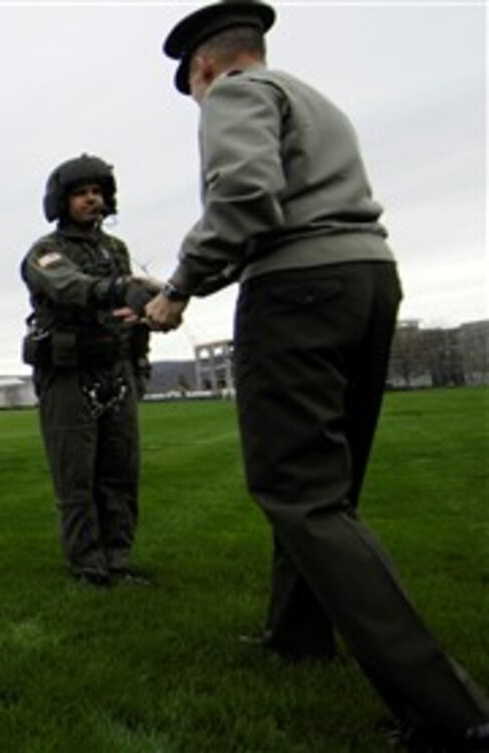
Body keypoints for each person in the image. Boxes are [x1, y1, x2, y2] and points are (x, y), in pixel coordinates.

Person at [148, 2, 489, 749]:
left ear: (203, 68)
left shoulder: (235, 94)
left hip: (298, 292)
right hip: (366, 280)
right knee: (324, 484)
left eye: (194, 88)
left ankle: (447, 711)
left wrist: (176, 289)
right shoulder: (316, 100)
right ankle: (298, 634)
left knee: (298, 490)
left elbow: (245, 198)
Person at [21, 153, 158, 587]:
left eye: (97, 192)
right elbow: (68, 287)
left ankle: (118, 558)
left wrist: (139, 360)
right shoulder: (46, 252)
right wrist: (123, 288)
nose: (91, 200)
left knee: (121, 472)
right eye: (81, 193)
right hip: (69, 376)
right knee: (76, 478)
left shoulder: (116, 250)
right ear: (62, 201)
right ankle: (89, 567)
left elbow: (128, 316)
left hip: (116, 372)